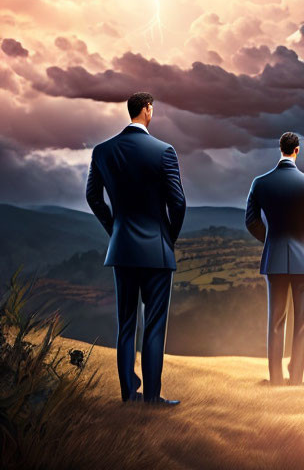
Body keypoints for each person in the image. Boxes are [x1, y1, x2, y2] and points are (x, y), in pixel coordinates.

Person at [86, 92, 185, 406]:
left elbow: (93, 197)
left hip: (123, 249)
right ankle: (153, 397)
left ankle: (128, 394)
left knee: (126, 324)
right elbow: (178, 203)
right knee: (154, 326)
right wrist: (168, 237)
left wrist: (114, 227)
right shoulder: (164, 151)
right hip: (157, 250)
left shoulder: (102, 151)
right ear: (147, 110)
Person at [245, 132, 304, 386]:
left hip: (275, 260)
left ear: (279, 149)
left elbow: (250, 220)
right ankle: (297, 379)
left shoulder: (260, 182)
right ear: (297, 150)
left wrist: (270, 240)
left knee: (276, 322)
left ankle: (276, 380)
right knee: (302, 324)